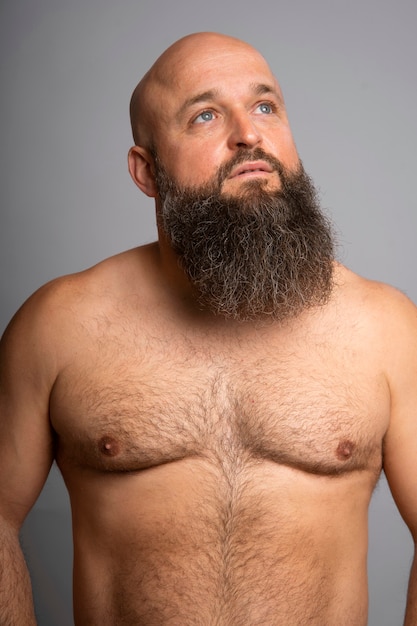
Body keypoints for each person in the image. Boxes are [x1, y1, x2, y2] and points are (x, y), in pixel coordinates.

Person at [0, 31, 416, 626]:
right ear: (146, 171)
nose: (249, 134)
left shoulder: (387, 328)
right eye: (204, 116)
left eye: (265, 106)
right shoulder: (60, 325)